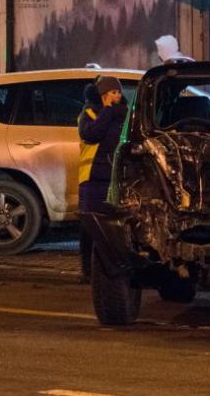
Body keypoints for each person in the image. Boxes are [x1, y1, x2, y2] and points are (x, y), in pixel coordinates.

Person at [77, 75, 128, 282]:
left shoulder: (125, 115)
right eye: (113, 92)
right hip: (92, 176)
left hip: (115, 176)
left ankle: (112, 267)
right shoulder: (89, 113)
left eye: (119, 92)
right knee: (90, 225)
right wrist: (107, 111)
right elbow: (92, 134)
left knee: (113, 225)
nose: (117, 96)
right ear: (103, 95)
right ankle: (88, 270)